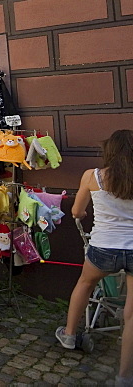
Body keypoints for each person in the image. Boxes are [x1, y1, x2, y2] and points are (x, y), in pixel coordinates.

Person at [57, 129, 133, 386]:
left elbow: (77, 211)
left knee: (85, 284)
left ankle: (69, 335)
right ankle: (124, 376)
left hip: (103, 249)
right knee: (132, 314)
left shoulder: (92, 176)